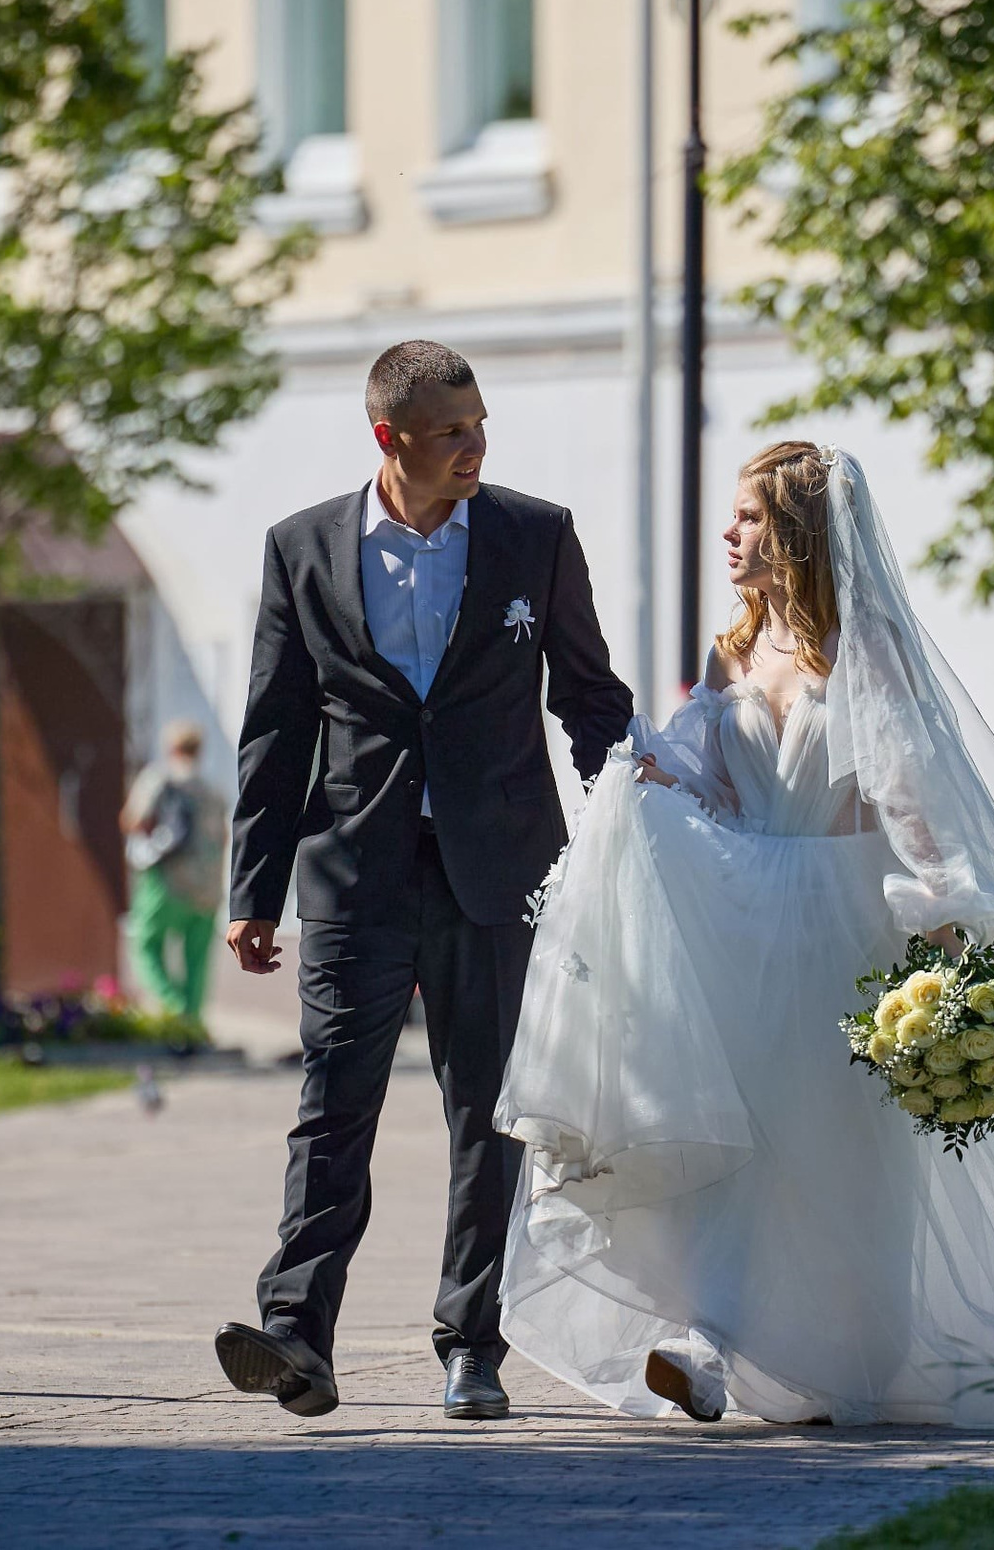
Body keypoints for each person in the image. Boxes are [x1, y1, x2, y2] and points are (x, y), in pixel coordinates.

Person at [496, 442, 994, 1427]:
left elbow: (913, 799)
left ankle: (847, 1349)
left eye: (747, 517)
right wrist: (650, 781)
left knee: (836, 1155)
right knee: (732, 1141)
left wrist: (940, 919)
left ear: (795, 535)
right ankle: (706, 1342)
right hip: (744, 919)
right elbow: (713, 782)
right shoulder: (731, 652)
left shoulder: (867, 654)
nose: (729, 534)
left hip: (846, 926)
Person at [211, 340, 634, 1422]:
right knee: (330, 1104)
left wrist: (628, 814)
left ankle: (471, 1342)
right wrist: (251, 888)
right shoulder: (301, 548)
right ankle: (297, 1332)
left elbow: (588, 693)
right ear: (388, 438)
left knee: (487, 1113)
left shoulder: (533, 536)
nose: (475, 447)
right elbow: (275, 730)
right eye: (452, 431)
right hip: (355, 872)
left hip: (498, 873)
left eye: (480, 425)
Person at [121, 720, 228, 1020]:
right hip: (208, 886)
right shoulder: (213, 790)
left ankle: (173, 1006)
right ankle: (192, 1023)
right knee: (197, 960)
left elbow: (133, 819)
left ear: (171, 747)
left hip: (168, 880)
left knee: (144, 943)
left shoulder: (159, 779)